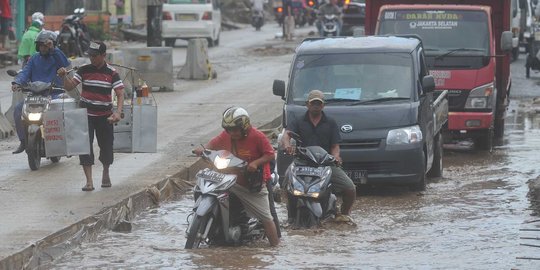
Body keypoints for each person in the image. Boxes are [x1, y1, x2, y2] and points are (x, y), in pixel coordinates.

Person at [193, 107, 280, 247]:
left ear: (244, 127)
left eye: (235, 130)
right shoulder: (226, 135)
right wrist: (203, 151)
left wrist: (255, 163)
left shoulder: (257, 136)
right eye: (229, 130)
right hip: (227, 180)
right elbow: (212, 145)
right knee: (201, 189)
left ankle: (276, 248)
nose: (231, 133)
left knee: (266, 217)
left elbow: (270, 154)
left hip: (249, 184)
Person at [57, 41, 125, 192]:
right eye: (90, 56)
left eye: (95, 56)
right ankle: (89, 181)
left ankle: (106, 172)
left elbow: (120, 94)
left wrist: (118, 112)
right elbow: (69, 86)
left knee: (106, 147)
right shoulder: (83, 70)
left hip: (105, 116)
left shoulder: (112, 73)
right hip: (85, 115)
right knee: (84, 147)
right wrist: (63, 76)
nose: (92, 59)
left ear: (103, 55)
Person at [281, 89, 357, 223]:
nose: (316, 106)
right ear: (307, 104)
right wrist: (287, 145)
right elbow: (287, 134)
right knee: (286, 182)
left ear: (323, 105)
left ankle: (344, 214)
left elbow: (335, 146)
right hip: (302, 162)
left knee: (350, 188)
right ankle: (290, 214)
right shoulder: (298, 121)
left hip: (325, 163)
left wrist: (336, 157)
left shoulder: (330, 122)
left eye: (318, 103)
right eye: (313, 103)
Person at [11, 30, 71, 154]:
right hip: (35, 95)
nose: (43, 48)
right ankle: (23, 141)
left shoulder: (57, 57)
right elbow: (25, 72)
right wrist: (17, 83)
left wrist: (53, 49)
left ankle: (60, 140)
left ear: (52, 45)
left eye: (46, 45)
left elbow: (65, 64)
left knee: (60, 111)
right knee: (18, 109)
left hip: (53, 94)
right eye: (41, 45)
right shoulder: (33, 58)